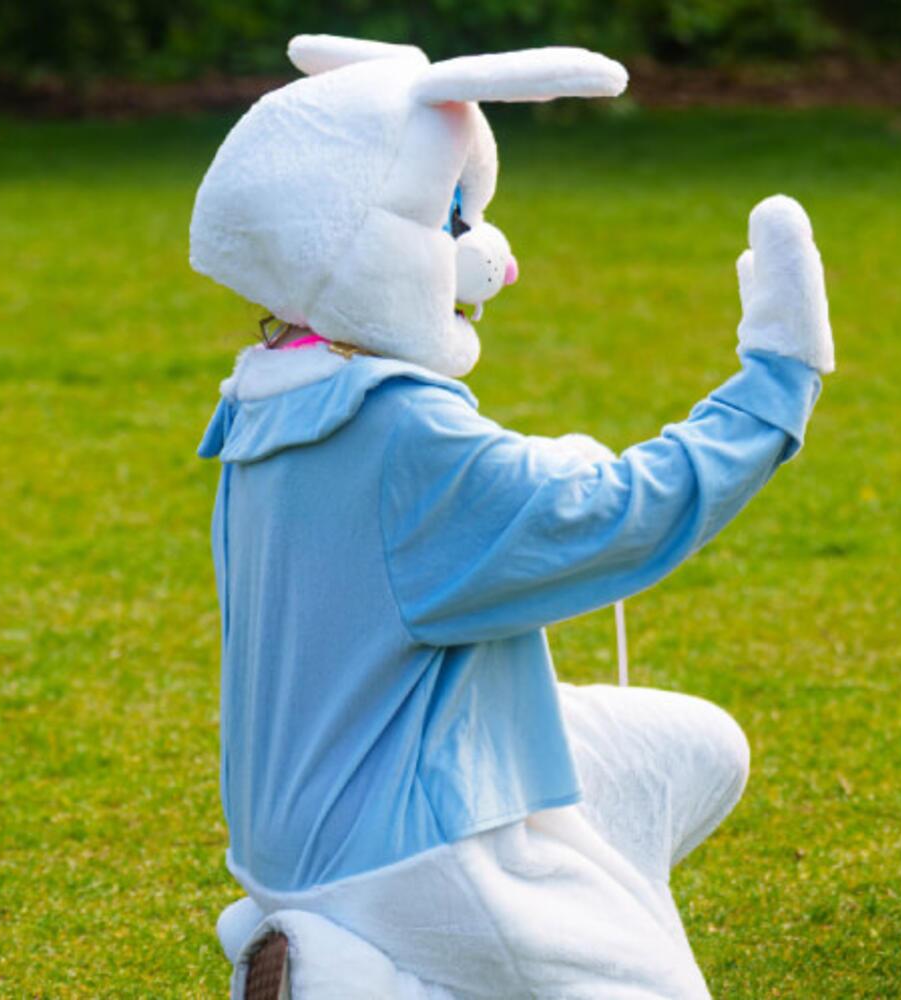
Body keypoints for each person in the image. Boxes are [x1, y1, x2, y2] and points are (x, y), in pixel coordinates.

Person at [187, 36, 838, 997]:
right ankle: (341, 972)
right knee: (645, 985)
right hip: (404, 854)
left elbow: (448, 526)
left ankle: (335, 950)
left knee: (694, 745)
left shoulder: (264, 399)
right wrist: (776, 383)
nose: (493, 257)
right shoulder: (400, 432)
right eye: (453, 221)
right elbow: (616, 513)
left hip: (293, 833)